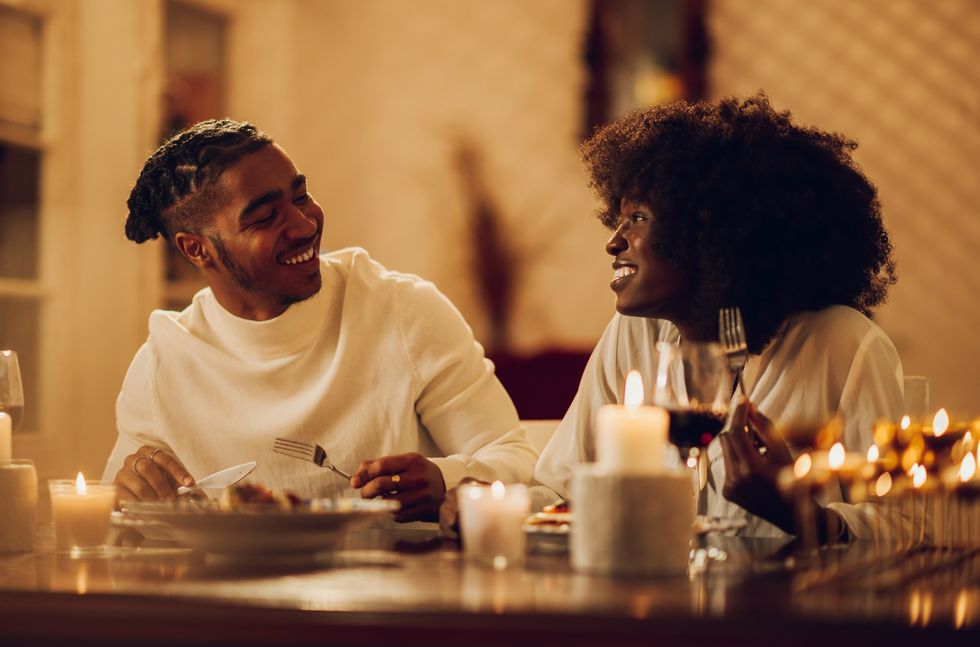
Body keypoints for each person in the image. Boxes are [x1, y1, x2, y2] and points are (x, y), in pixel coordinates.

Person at [102, 119, 537, 523]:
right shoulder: (165, 361)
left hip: (396, 575)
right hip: (228, 582)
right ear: (197, 249)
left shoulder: (402, 311)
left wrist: (445, 478)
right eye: (265, 217)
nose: (304, 224)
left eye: (300, 196)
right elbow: (120, 512)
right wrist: (128, 490)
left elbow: (515, 458)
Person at [532, 94, 905, 542]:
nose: (614, 242)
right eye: (620, 218)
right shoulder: (631, 336)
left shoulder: (845, 344)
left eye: (638, 217)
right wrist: (482, 503)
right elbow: (561, 487)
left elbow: (907, 530)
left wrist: (798, 513)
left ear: (711, 233)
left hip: (795, 591)